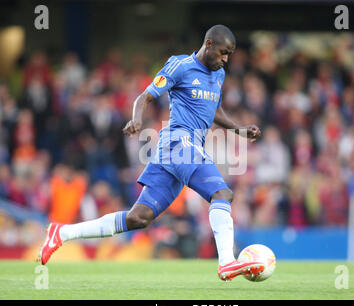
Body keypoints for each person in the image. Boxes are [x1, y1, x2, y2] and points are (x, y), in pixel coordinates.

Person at [38, 25, 263, 281]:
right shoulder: (180, 66)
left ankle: (61, 233)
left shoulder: (218, 74)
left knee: (138, 218)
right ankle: (226, 263)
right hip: (177, 143)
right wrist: (136, 120)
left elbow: (214, 109)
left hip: (184, 151)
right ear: (209, 44)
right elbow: (145, 96)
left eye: (229, 55)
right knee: (221, 193)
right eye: (223, 52)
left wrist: (239, 130)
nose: (225, 60)